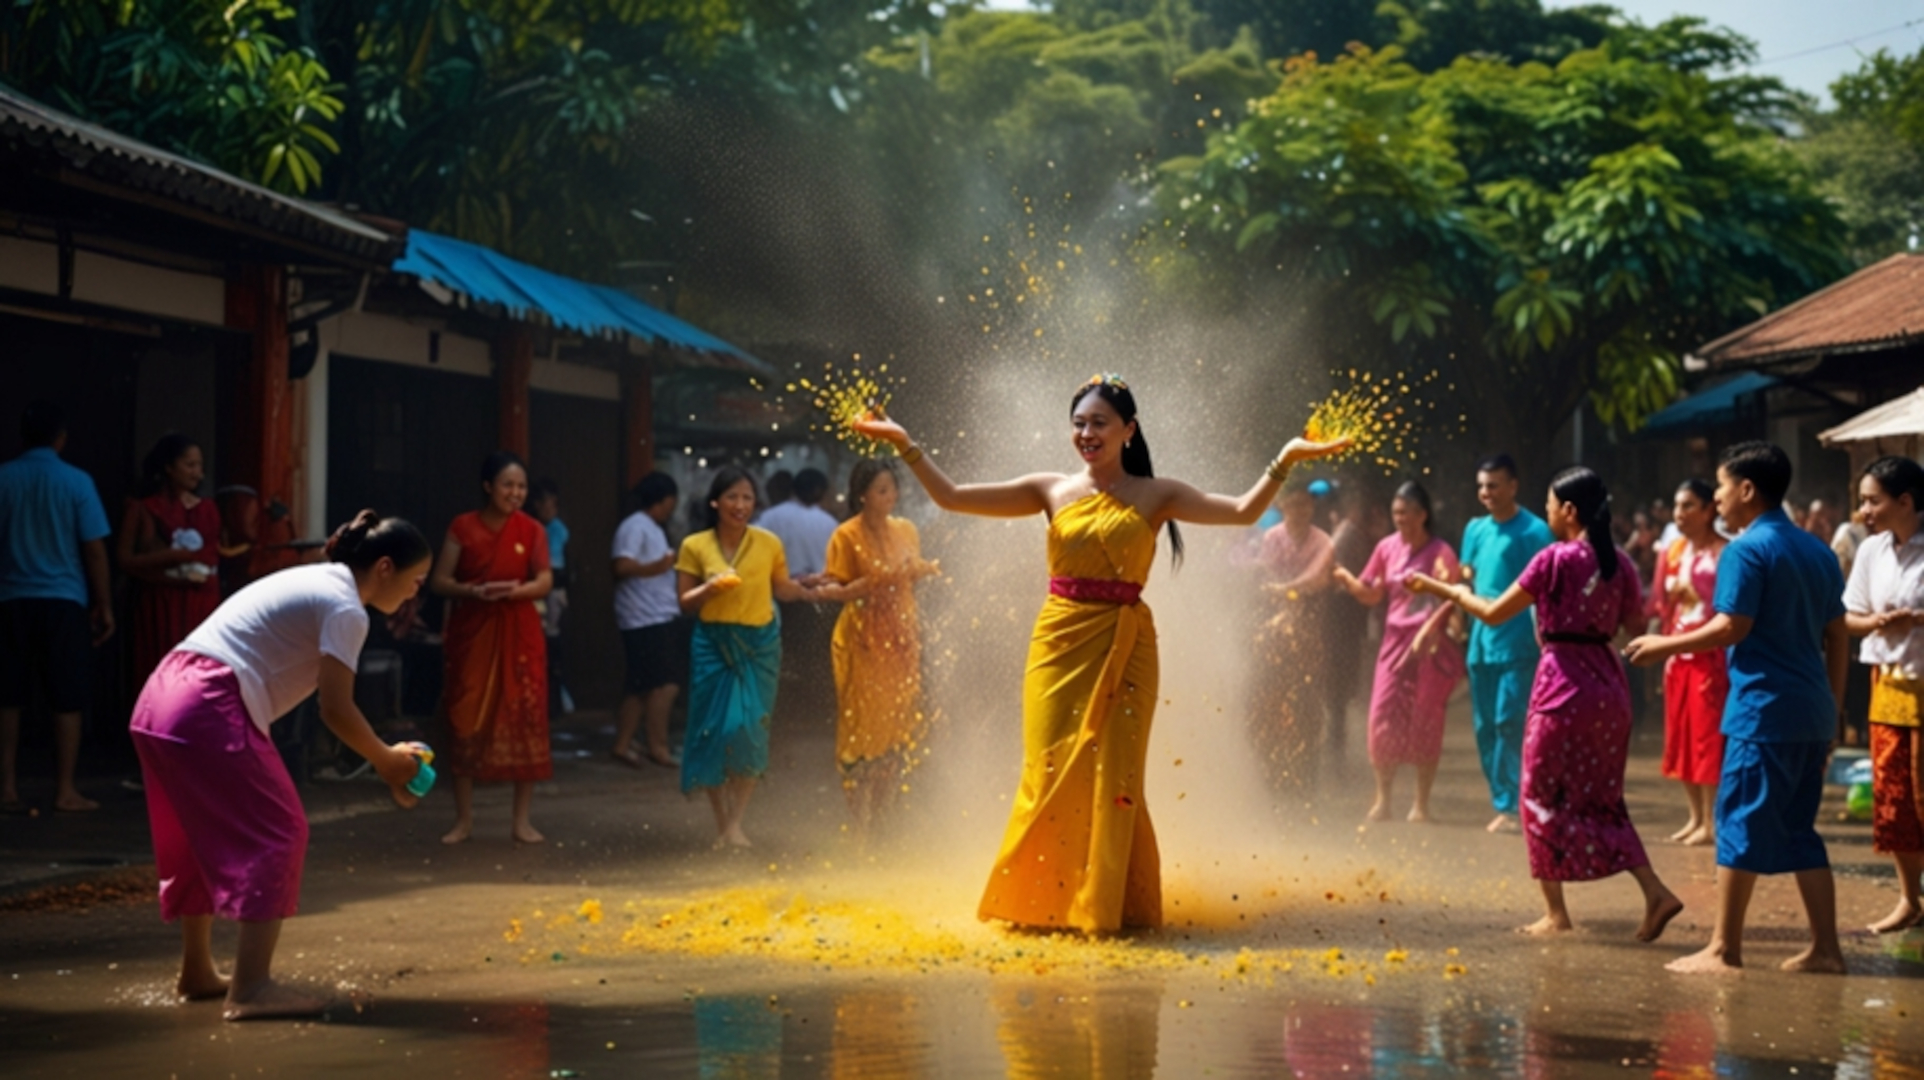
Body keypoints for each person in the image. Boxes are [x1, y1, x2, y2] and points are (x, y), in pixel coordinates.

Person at [851, 374, 1348, 933]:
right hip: (1058, 644)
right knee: (1049, 765)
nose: (1086, 433)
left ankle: (1102, 906)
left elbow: (1238, 511)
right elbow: (953, 497)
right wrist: (902, 442)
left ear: (1128, 430)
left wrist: (1286, 457)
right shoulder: (1051, 489)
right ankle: (1039, 899)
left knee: (1115, 775)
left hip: (1128, 644)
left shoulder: (1157, 493)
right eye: (1079, 424)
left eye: (1099, 423)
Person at [130, 510, 432, 1019]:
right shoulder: (346, 607)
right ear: (385, 567)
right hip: (206, 701)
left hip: (160, 697)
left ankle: (197, 971)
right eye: (414, 581)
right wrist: (385, 759)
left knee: (200, 834)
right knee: (281, 829)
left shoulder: (318, 579)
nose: (414, 594)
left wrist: (384, 758)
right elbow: (335, 710)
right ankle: (249, 989)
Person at [1415, 468, 1683, 940]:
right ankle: (1654, 891)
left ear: (1570, 511)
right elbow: (1635, 626)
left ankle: (1556, 914)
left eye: (1551, 504)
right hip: (1608, 688)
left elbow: (1494, 614)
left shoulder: (1553, 559)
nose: (1547, 512)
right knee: (1601, 800)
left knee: (1537, 797)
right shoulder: (1618, 562)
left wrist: (1445, 590)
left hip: (1561, 686)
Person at [1626, 442, 1850, 975]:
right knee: (1800, 831)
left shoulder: (1745, 551)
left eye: (1722, 487)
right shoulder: (1816, 549)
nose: (1717, 499)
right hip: (1811, 712)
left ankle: (1724, 949)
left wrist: (1664, 644)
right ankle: (1826, 949)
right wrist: (1834, 709)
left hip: (1763, 711)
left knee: (1736, 822)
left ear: (1747, 490)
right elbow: (1838, 635)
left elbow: (1732, 626)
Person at [676, 467, 820, 848]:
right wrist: (710, 586)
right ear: (715, 502)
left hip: (760, 645)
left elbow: (783, 589)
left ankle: (736, 822)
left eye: (747, 498)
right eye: (732, 497)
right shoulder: (695, 545)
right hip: (712, 644)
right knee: (712, 732)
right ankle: (722, 822)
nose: (740, 505)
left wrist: (809, 588)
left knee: (748, 730)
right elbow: (684, 603)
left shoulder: (769, 542)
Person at [812, 459, 941, 843]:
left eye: (893, 489)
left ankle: (883, 818)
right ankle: (860, 823)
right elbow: (834, 590)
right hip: (862, 643)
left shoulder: (906, 529)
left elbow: (911, 573)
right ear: (862, 495)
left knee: (896, 730)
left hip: (901, 639)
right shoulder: (845, 535)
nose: (891, 497)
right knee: (861, 730)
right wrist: (870, 583)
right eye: (882, 490)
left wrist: (922, 569)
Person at [431, 451, 553, 845]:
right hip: (474, 628)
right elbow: (439, 581)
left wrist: (517, 591)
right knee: (465, 715)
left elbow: (545, 579)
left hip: (519, 629)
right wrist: (473, 591)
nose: (515, 493)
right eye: (507, 485)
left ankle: (521, 821)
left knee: (525, 715)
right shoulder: (462, 527)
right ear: (488, 486)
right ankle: (463, 820)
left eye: (521, 486)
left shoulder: (532, 529)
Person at [0, 400, 113, 814]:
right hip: (64, 600)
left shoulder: (4, 478)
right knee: (67, 698)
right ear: (61, 439)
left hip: (10, 598)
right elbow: (94, 549)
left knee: (7, 697)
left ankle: (6, 786)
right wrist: (103, 604)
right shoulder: (76, 482)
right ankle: (65, 789)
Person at [1333, 481, 1464, 824]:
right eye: (1396, 513)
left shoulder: (1441, 553)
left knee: (1426, 718)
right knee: (1381, 716)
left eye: (1406, 512)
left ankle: (1421, 803)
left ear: (1423, 515)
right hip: (1393, 641)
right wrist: (1346, 579)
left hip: (1430, 641)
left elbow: (1452, 598)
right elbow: (1373, 593)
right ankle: (1384, 798)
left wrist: (1428, 631)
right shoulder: (1386, 547)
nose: (1400, 519)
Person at [1841, 456, 1924, 935]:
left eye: (1873, 500)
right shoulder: (1872, 551)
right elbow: (1848, 617)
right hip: (1887, 684)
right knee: (1893, 796)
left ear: (1905, 501)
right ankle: (1909, 898)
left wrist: (1916, 619)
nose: (1864, 510)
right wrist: (1877, 623)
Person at [1458, 454, 1555, 834]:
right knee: (1484, 725)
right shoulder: (1475, 529)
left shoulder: (1535, 531)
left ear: (1513, 486)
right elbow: (1469, 570)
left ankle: (1514, 805)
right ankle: (1502, 797)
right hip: (1480, 642)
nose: (1486, 493)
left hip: (1519, 643)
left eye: (1494, 485)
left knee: (1509, 722)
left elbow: (1547, 587)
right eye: (1481, 486)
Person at [1649, 478, 1729, 848]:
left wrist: (1697, 595)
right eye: (1677, 507)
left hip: (1709, 653)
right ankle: (1694, 816)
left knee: (1707, 736)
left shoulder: (1724, 552)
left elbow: (1728, 607)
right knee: (1680, 734)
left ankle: (1712, 818)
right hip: (1677, 650)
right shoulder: (1675, 551)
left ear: (1709, 509)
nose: (1680, 514)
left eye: (1688, 506)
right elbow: (1662, 605)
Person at [118, 434, 224, 688]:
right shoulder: (143, 508)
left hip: (201, 600)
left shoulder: (208, 508)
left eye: (199, 465)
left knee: (198, 673)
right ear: (169, 467)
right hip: (160, 600)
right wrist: (171, 559)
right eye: (189, 464)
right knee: (160, 672)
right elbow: (124, 559)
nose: (197, 473)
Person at [1251, 476, 1335, 785]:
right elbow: (1265, 574)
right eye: (1292, 504)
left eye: (1304, 503)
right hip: (1273, 631)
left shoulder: (1323, 541)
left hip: (1311, 630)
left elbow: (1317, 578)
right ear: (1281, 506)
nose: (1298, 510)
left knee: (1308, 703)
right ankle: (1273, 773)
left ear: (1312, 506)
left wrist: (1286, 591)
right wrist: (1281, 598)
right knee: (1270, 698)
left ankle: (1307, 776)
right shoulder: (1272, 537)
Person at [611, 472, 683, 769]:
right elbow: (622, 565)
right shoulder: (635, 527)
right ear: (663, 500)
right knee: (664, 684)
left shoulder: (649, 527)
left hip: (653, 613)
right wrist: (659, 566)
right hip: (644, 615)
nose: (672, 508)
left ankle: (624, 743)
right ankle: (658, 746)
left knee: (641, 685)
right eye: (670, 502)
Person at [1321, 482, 1375, 753]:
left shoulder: (1346, 532)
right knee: (1339, 686)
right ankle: (1337, 745)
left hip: (1344, 613)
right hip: (1344, 614)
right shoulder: (1347, 533)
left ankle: (1337, 744)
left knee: (1338, 687)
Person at [528, 477, 574, 715]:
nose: (549, 509)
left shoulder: (557, 530)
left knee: (551, 643)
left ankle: (556, 699)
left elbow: (559, 568)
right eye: (545, 503)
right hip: (529, 592)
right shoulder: (528, 528)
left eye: (554, 504)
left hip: (553, 591)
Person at [758, 468, 838, 580]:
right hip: (819, 588)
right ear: (821, 492)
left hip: (780, 587)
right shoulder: (829, 523)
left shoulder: (771, 516)